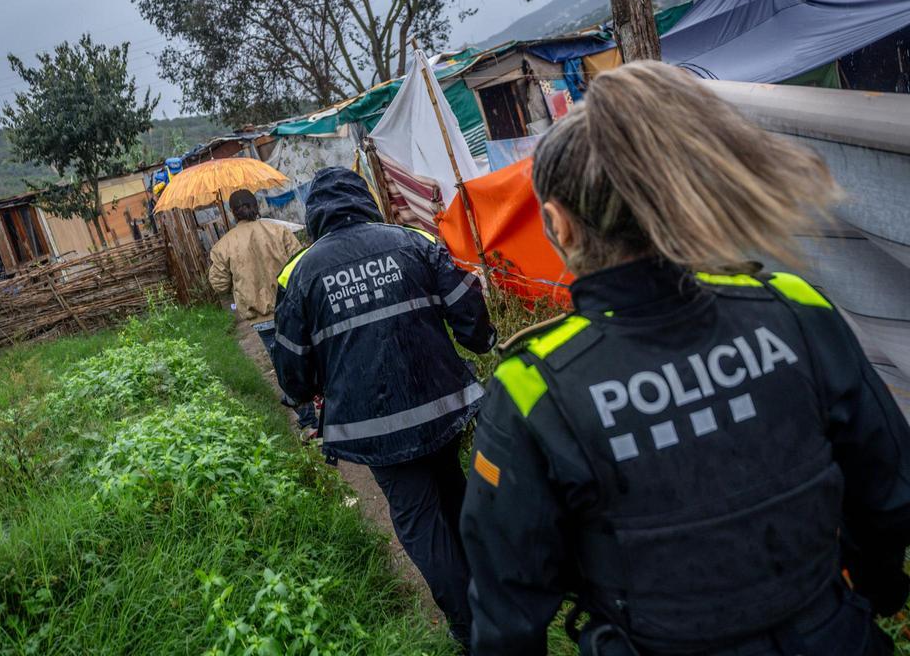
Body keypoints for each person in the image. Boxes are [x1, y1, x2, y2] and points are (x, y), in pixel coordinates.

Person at [459, 60, 910, 656]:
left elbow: (508, 608)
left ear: (558, 225)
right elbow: (888, 492)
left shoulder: (532, 388)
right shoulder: (793, 308)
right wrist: (865, 596)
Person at [272, 166, 496, 649]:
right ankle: (496, 600)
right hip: (443, 406)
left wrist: (307, 393)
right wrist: (482, 341)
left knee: (418, 517)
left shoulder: (302, 273)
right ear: (365, 199)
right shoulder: (412, 242)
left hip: (375, 429)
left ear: (315, 216)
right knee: (453, 490)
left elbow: (292, 367)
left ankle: (472, 630)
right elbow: (469, 313)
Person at [206, 189, 315, 430]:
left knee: (284, 367)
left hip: (262, 320)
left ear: (233, 213)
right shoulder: (279, 232)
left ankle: (309, 423)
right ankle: (329, 411)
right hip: (292, 311)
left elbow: (219, 284)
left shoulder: (224, 246)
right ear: (257, 206)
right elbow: (302, 266)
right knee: (308, 357)